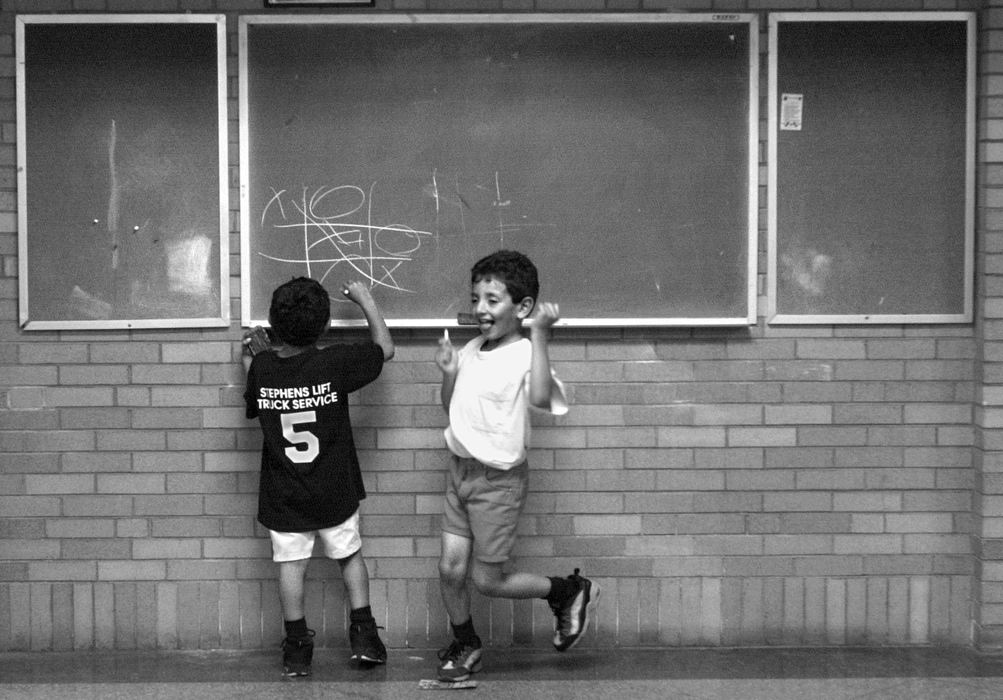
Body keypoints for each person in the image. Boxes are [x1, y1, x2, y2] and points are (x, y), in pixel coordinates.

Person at [433, 250, 598, 683]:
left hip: (498, 482)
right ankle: (467, 645)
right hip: (460, 473)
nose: (479, 309)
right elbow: (450, 407)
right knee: (450, 569)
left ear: (522, 308)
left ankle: (566, 591)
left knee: (487, 580)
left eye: (491, 300)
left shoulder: (525, 352)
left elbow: (543, 399)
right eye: (475, 299)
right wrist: (449, 373)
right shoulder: (471, 348)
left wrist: (541, 336)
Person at [242, 277, 394, 677]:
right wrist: (365, 299)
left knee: (292, 566)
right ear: (325, 327)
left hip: (284, 494)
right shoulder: (335, 362)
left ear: (273, 323)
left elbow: (256, 396)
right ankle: (364, 637)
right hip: (334, 489)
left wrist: (254, 359)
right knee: (349, 557)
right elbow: (386, 349)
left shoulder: (262, 367)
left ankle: (296, 650)